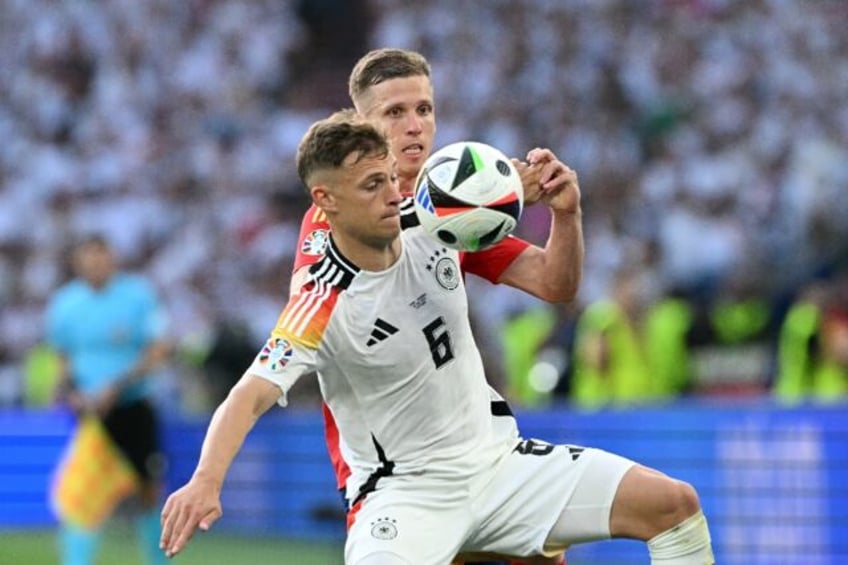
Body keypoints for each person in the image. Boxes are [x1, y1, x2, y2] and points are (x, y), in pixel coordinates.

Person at [160, 112, 714, 564]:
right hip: (406, 494)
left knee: (673, 504)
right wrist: (205, 480)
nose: (391, 195)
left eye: (391, 180)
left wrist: (560, 211)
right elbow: (249, 394)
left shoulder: (440, 223)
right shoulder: (320, 299)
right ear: (325, 201)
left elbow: (540, 261)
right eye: (371, 185)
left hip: (499, 465)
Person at [292, 48, 581, 565]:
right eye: (394, 113)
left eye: (423, 110)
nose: (413, 127)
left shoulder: (451, 208)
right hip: (395, 476)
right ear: (362, 125)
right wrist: (494, 191)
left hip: (470, 454)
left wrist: (566, 214)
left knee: (552, 552)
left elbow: (552, 284)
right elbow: (319, 305)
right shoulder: (335, 213)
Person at [46, 234, 169, 565]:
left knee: (146, 490)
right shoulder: (65, 303)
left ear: (113, 259)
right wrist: (69, 391)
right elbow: (63, 356)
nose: (96, 265)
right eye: (89, 259)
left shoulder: (138, 296)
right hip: (90, 414)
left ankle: (158, 559)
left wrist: (116, 387)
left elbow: (157, 350)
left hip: (133, 408)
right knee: (82, 489)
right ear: (78, 263)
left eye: (101, 258)